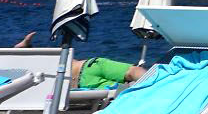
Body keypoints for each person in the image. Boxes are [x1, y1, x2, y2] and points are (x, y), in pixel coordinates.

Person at [12, 31, 146, 89]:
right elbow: (134, 71)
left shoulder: (32, 80)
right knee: (132, 74)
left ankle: (23, 50)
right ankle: (155, 85)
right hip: (87, 68)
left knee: (124, 86)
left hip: (79, 84)